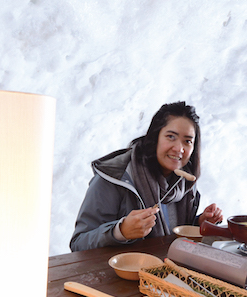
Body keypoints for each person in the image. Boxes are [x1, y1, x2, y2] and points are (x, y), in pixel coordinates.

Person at [69, 101, 223, 251]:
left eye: (187, 141)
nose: (179, 148)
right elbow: (78, 244)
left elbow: (172, 234)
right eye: (171, 136)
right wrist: (120, 231)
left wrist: (199, 224)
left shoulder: (185, 183)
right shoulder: (115, 178)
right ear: (155, 137)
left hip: (168, 267)